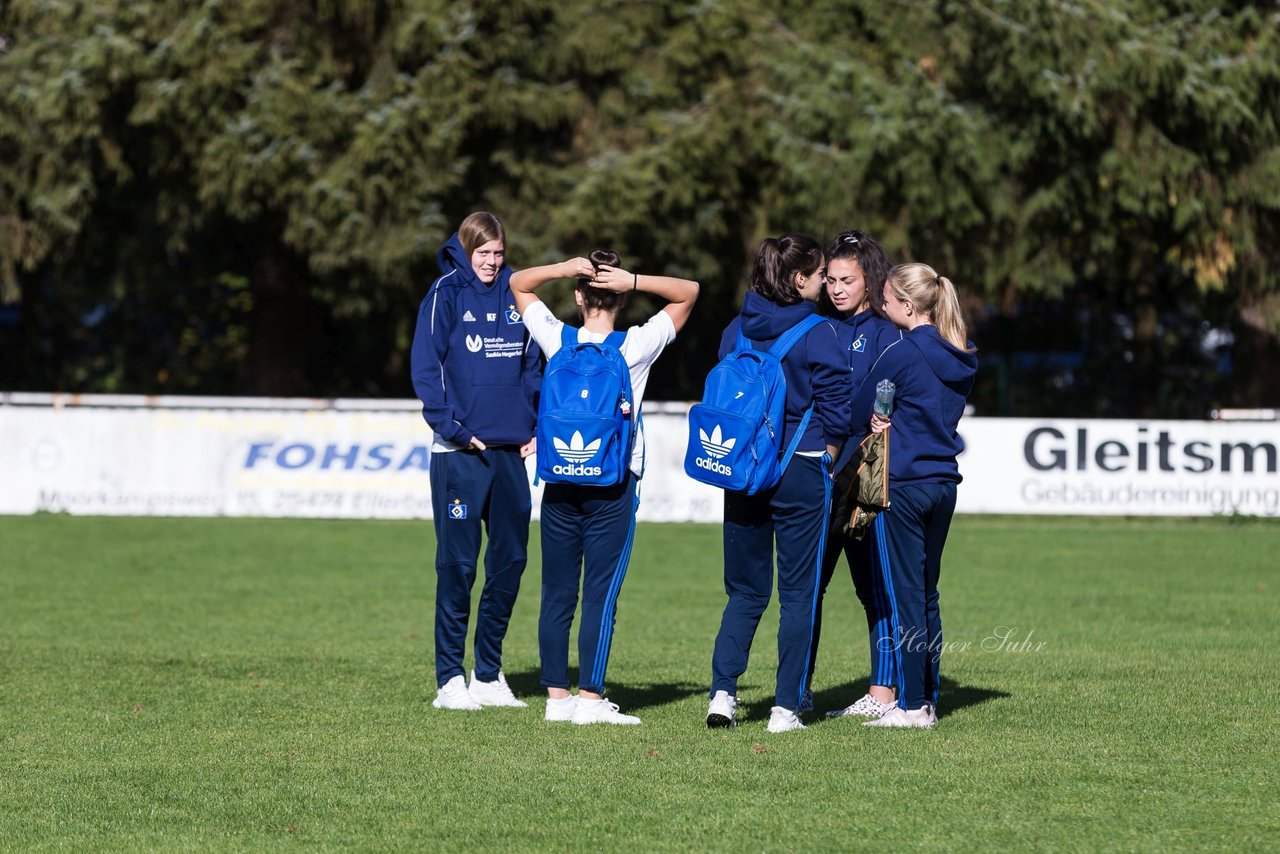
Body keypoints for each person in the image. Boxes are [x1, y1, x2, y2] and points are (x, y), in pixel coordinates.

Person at [511, 250, 698, 725]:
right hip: (613, 484)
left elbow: (518, 283)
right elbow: (689, 292)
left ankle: (557, 699)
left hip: (559, 481)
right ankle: (591, 700)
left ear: (578, 295)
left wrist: (560, 269)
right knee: (600, 592)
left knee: (557, 592)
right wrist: (634, 279)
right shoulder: (634, 347)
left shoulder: (557, 339)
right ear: (619, 299)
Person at [706, 234, 852, 733]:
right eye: (819, 275)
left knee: (744, 593)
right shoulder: (821, 332)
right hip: (800, 469)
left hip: (741, 469)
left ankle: (722, 695)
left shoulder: (734, 330)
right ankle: (785, 707)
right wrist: (827, 458)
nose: (825, 283)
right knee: (798, 593)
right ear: (798, 279)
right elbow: (838, 412)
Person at [410, 212, 542, 711]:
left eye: (498, 253)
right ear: (465, 250)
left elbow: (534, 362)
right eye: (482, 253)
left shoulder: (518, 291)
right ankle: (450, 680)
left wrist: (534, 424)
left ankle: (488, 674)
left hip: (510, 454)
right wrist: (454, 430)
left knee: (509, 563)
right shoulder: (445, 292)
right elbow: (425, 367)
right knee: (458, 566)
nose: (491, 262)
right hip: (460, 456)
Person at [851, 262, 977, 729]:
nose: (882, 307)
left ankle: (909, 706)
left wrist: (880, 413)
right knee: (926, 594)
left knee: (905, 594)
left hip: (902, 486)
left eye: (886, 299)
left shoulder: (900, 354)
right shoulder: (961, 354)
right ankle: (927, 700)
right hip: (944, 484)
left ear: (908, 305)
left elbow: (861, 405)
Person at [806, 230, 903, 719]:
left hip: (863, 478)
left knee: (874, 586)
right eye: (831, 279)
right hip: (817, 479)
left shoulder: (887, 331)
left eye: (848, 280)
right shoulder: (815, 327)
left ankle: (883, 692)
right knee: (809, 587)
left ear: (869, 281)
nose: (837, 289)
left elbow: (884, 400)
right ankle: (796, 688)